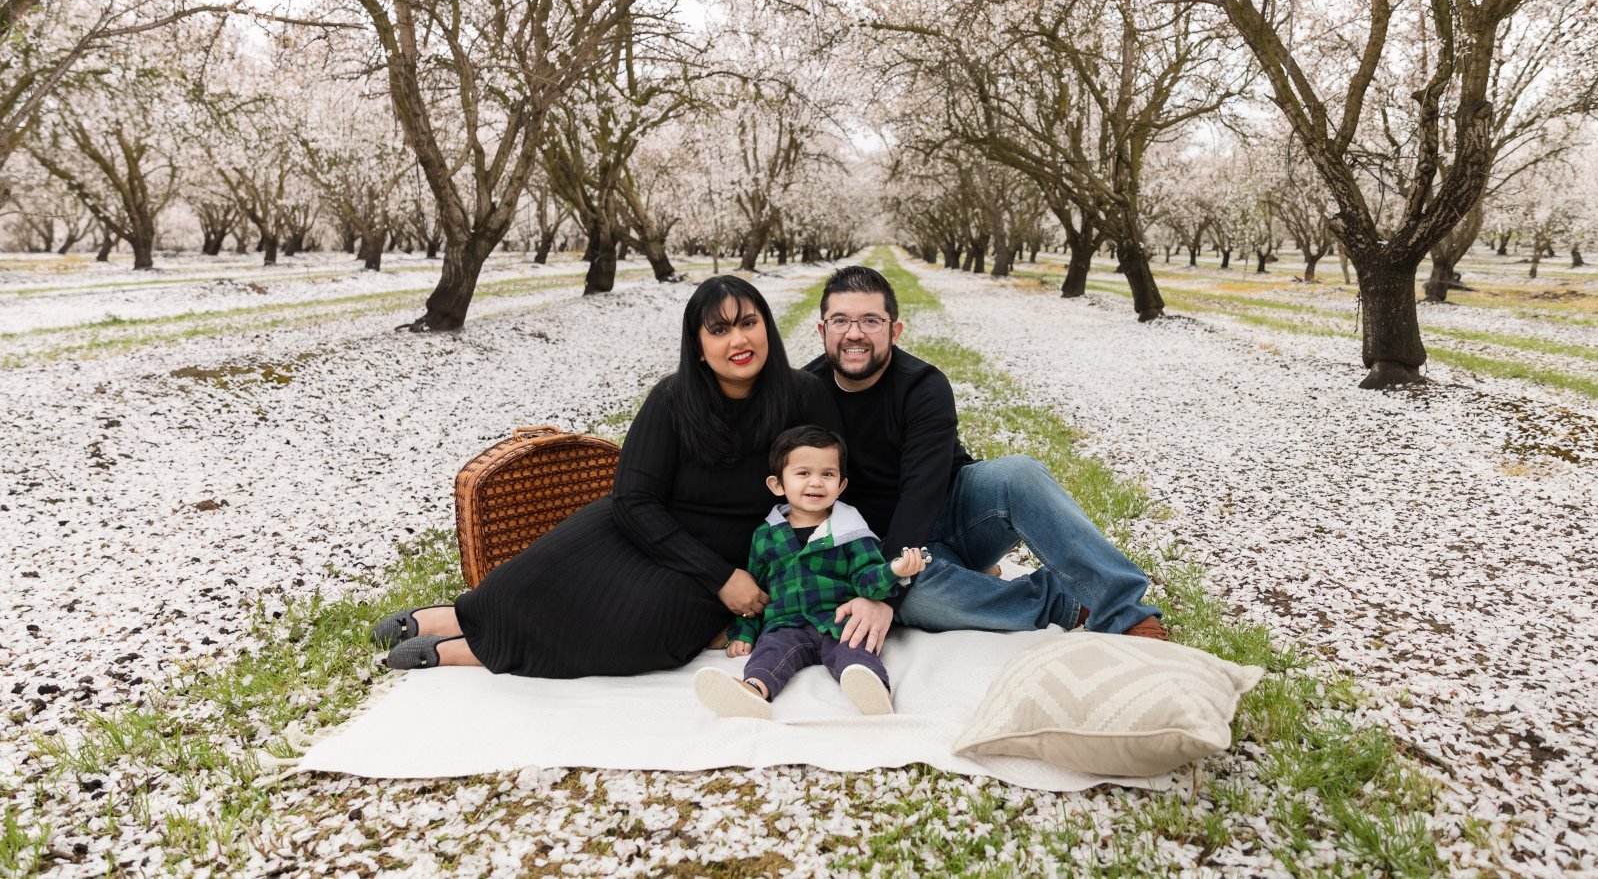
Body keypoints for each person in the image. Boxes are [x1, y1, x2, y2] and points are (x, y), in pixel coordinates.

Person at [369, 276, 841, 676]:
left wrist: (737, 579)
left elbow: (827, 490)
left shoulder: (804, 396)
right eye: (718, 330)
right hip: (649, 530)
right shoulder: (674, 398)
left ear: (766, 327)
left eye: (748, 323)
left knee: (642, 629)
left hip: (740, 555)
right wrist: (718, 577)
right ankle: (452, 616)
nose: (737, 341)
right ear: (699, 347)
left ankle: (464, 650)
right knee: (529, 582)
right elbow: (634, 499)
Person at [802, 265, 1165, 654]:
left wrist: (883, 591)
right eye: (840, 320)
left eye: (870, 320)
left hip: (955, 513)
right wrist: (884, 581)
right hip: (877, 544)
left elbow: (921, 494)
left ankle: (1124, 608)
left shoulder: (923, 386)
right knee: (918, 598)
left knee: (1018, 473)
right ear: (823, 331)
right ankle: (1066, 600)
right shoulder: (803, 393)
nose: (854, 333)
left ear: (895, 330)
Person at [693, 425, 927, 720]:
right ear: (778, 485)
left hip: (838, 621)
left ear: (841, 485)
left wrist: (892, 570)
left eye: (827, 474)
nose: (816, 483)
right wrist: (745, 631)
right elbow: (757, 591)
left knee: (856, 650)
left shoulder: (850, 531)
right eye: (803, 473)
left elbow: (868, 581)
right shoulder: (766, 535)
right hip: (786, 624)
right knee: (770, 652)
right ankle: (752, 691)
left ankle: (874, 690)